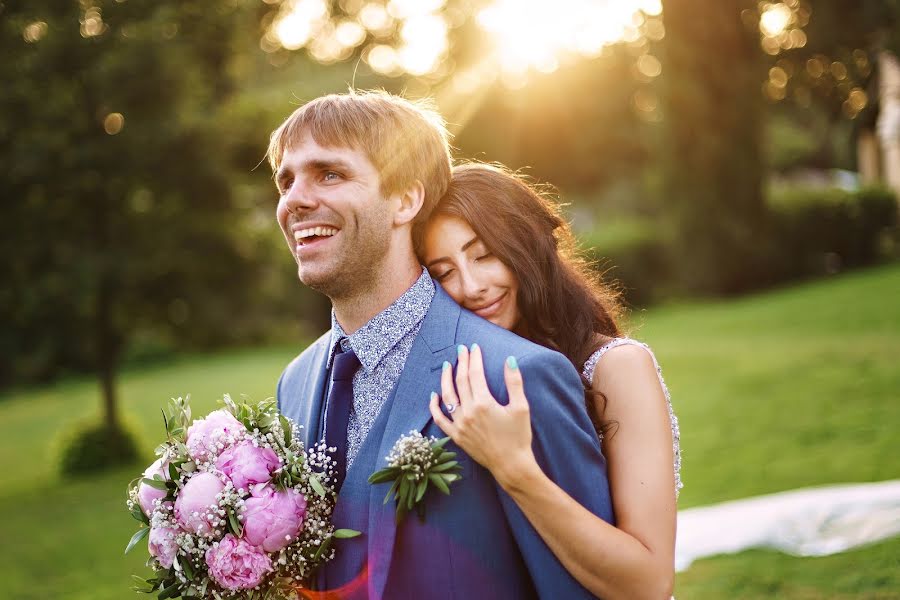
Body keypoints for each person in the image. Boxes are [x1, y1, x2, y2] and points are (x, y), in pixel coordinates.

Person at [269, 91, 614, 599]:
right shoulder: (294, 382)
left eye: (330, 174)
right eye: (286, 179)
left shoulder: (515, 375)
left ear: (405, 199)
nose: (293, 200)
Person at [420, 163, 681, 600]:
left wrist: (513, 468)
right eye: (444, 272)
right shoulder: (468, 377)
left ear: (529, 244)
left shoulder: (617, 367)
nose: (471, 286)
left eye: (484, 254)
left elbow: (649, 582)